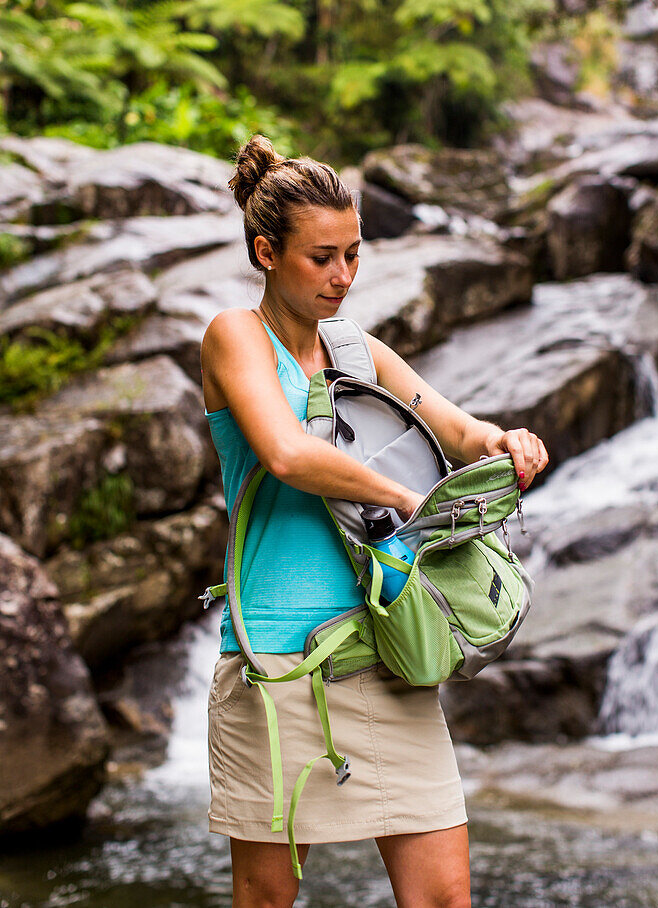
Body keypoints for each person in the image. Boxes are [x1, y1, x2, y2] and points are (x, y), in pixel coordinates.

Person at [200, 134, 549, 908]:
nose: (341, 276)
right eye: (320, 257)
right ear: (265, 251)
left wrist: (503, 442)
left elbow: (457, 432)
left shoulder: (360, 350)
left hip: (389, 653)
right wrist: (398, 495)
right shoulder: (234, 338)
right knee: (266, 901)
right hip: (279, 666)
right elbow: (288, 455)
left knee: (443, 898)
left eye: (352, 255)